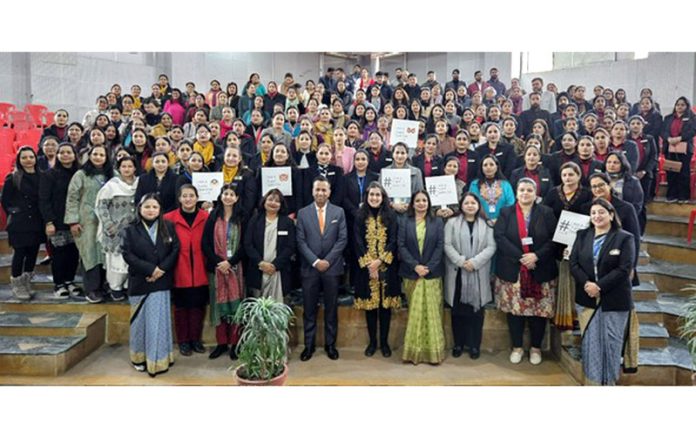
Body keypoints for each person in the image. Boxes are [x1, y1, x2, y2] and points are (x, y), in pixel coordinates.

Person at [570, 198, 637, 385]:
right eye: (593, 213)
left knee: (612, 343)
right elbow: (574, 264)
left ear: (611, 214)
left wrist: (600, 286)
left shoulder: (624, 238)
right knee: (591, 344)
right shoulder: (582, 235)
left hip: (614, 299)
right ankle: (593, 383)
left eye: (601, 212)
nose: (597, 216)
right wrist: (588, 285)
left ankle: (610, 383)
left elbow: (624, 268)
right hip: (587, 298)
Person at [494, 178, 558, 365]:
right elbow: (500, 236)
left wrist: (536, 256)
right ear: (516, 192)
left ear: (535, 193)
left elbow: (554, 239)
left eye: (529, 190)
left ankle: (536, 348)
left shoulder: (546, 212)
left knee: (538, 312)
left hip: (540, 269)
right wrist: (522, 257)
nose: (525, 193)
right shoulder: (506, 212)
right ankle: (517, 347)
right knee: (515, 312)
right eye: (521, 189)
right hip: (513, 270)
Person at [121, 193, 180, 377]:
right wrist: (150, 270)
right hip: (140, 281)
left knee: (159, 323)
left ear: (160, 209)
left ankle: (160, 359)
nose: (151, 210)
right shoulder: (130, 229)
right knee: (139, 323)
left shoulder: (168, 227)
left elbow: (175, 249)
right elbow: (127, 254)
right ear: (140, 208)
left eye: (155, 207)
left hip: (161, 282)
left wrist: (160, 269)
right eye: (147, 206)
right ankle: (139, 358)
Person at [296, 176, 348, 361]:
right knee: (309, 309)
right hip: (310, 269)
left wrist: (327, 260)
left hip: (332, 269)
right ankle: (308, 346)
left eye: (324, 190)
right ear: (312, 191)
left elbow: (342, 239)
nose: (320, 193)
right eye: (317, 189)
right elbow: (300, 241)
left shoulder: (339, 212)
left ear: (329, 192)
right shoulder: (302, 213)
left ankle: (330, 345)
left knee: (331, 309)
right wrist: (316, 262)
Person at [443, 192, 496, 359]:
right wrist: (461, 261)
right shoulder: (451, 223)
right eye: (467, 203)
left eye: (473, 202)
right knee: (457, 312)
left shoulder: (486, 224)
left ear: (479, 205)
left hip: (478, 273)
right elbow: (447, 244)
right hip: (457, 273)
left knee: (476, 312)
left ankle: (474, 345)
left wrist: (474, 262)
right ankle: (458, 344)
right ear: (461, 205)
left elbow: (491, 247)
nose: (470, 205)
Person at [353, 182, 401, 358]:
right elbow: (357, 241)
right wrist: (369, 264)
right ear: (366, 197)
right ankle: (372, 343)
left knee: (385, 307)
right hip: (366, 269)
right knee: (371, 308)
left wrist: (380, 261)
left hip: (387, 267)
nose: (374, 198)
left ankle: (385, 343)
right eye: (371, 194)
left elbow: (394, 240)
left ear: (383, 197)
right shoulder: (359, 216)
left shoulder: (391, 215)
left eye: (377, 195)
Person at [399, 190, 446, 365]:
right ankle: (414, 351)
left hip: (432, 274)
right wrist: (415, 266)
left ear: (429, 203)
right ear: (412, 203)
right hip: (412, 273)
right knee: (415, 313)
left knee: (432, 312)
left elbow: (440, 246)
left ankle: (433, 353)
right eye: (417, 200)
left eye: (424, 200)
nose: (421, 203)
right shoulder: (405, 221)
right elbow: (401, 246)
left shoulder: (437, 222)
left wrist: (428, 267)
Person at [164, 184, 210, 357]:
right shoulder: (169, 218)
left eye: (191, 195)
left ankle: (195, 340)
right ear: (179, 198)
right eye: (185, 196)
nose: (188, 199)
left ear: (197, 198)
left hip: (200, 268)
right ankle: (183, 341)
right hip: (179, 269)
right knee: (181, 308)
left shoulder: (206, 217)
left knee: (198, 307)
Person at [201, 184, 245, 360]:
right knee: (218, 308)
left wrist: (230, 262)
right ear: (220, 197)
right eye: (225, 194)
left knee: (236, 308)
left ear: (237, 198)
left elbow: (245, 244)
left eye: (231, 194)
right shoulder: (213, 216)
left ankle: (235, 344)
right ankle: (221, 343)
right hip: (217, 269)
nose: (228, 197)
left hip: (236, 269)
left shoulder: (242, 217)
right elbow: (205, 243)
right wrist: (220, 262)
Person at [65, 145, 114, 303]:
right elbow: (72, 198)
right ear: (90, 156)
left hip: (107, 222)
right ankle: (92, 289)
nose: (98, 157)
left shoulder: (112, 174)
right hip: (87, 221)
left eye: (102, 154)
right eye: (95, 154)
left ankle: (104, 286)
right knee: (90, 254)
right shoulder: (81, 174)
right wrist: (73, 221)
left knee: (106, 254)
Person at [39, 143, 82, 298]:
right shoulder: (49, 175)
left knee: (73, 254)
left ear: (74, 155)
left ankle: (70, 281)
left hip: (77, 221)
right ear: (57, 156)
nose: (65, 155)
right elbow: (44, 200)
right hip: (57, 221)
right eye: (61, 152)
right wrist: (49, 221)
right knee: (58, 255)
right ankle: (59, 284)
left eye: (68, 152)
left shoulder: (80, 173)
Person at [1, 147, 45, 301]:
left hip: (36, 222)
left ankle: (26, 282)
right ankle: (17, 284)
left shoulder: (42, 176)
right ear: (19, 160)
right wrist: (15, 212)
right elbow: (5, 201)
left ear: (35, 158)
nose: (28, 160)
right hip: (19, 223)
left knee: (33, 253)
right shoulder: (13, 178)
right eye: (24, 157)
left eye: (31, 157)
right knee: (20, 253)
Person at [95, 156, 139, 301]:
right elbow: (101, 207)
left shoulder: (139, 184)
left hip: (134, 231)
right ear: (119, 168)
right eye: (124, 166)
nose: (127, 169)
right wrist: (109, 225)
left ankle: (127, 286)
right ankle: (115, 288)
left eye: (130, 166)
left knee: (131, 260)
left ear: (135, 168)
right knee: (116, 261)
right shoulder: (111, 186)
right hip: (115, 230)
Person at [244, 189, 296, 302]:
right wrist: (261, 263)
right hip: (258, 269)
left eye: (277, 201)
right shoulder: (254, 220)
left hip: (278, 271)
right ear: (264, 201)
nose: (273, 203)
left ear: (281, 205)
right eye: (270, 199)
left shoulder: (287, 222)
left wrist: (275, 265)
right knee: (258, 307)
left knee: (279, 307)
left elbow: (291, 247)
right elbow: (248, 244)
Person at [662, 96, 696, 203]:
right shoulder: (668, 118)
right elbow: (663, 131)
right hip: (670, 147)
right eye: (678, 105)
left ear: (687, 106)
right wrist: (668, 138)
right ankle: (672, 195)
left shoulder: (692, 118)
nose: (679, 107)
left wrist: (680, 138)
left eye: (682, 105)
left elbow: (692, 131)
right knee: (671, 171)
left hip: (685, 148)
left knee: (683, 172)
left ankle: (683, 196)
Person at [469, 154, 515, 223]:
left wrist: (499, 220)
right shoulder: (474, 185)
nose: (488, 167)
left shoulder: (506, 185)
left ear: (497, 167)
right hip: (479, 222)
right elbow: (472, 203)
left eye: (491, 164)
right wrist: (485, 219)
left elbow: (511, 204)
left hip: (502, 222)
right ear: (481, 168)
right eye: (485, 165)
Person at [380, 142, 424, 215]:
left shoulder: (416, 172)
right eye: (397, 153)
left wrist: (410, 204)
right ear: (393, 154)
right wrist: (392, 204)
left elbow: (420, 193)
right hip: (389, 212)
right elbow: (381, 194)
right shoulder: (384, 172)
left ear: (407, 155)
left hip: (410, 212)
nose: (400, 156)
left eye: (403, 153)